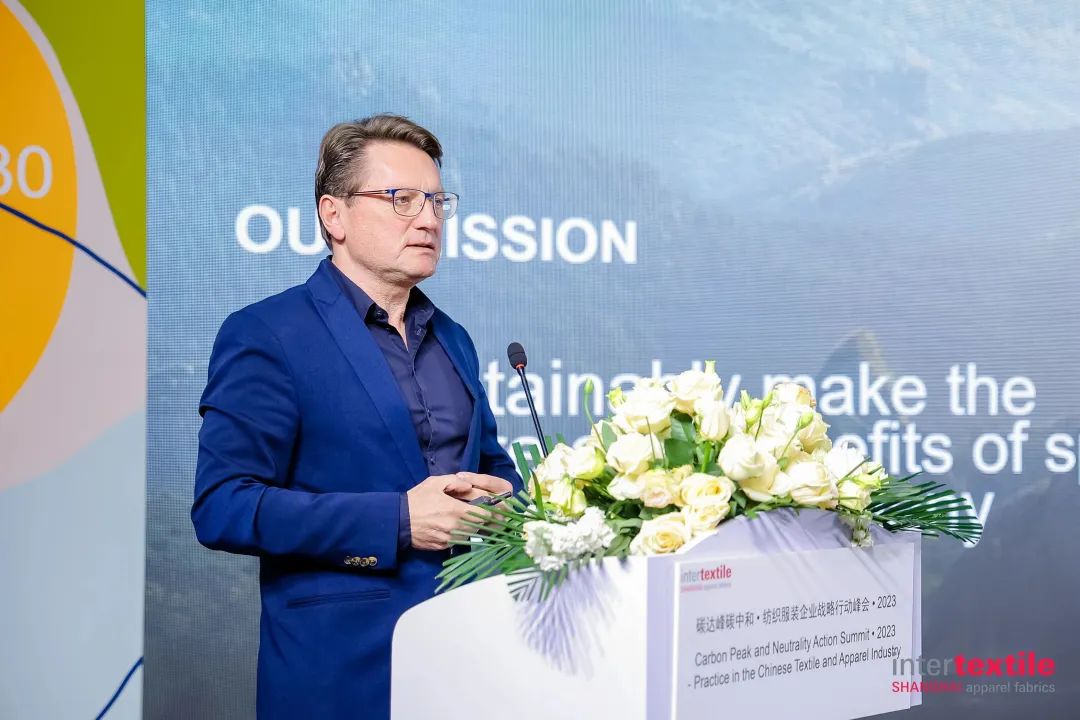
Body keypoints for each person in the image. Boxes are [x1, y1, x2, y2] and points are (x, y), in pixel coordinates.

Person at [192, 114, 521, 720]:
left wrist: (507, 501)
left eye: (437, 201)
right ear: (334, 215)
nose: (428, 219)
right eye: (401, 199)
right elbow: (223, 506)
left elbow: (494, 467)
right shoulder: (267, 334)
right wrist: (398, 520)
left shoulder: (454, 338)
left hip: (468, 662)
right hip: (342, 676)